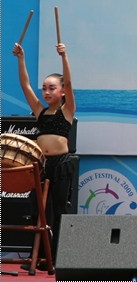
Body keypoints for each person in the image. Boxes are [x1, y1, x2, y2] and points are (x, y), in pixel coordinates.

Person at [13, 42, 76, 270]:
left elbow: (69, 83)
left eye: (52, 88)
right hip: (40, 165)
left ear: (62, 92)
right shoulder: (40, 111)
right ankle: (39, 256)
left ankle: (58, 257)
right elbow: (24, 85)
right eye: (44, 88)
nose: (47, 92)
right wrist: (21, 59)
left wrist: (64, 56)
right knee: (37, 211)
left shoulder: (67, 111)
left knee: (58, 210)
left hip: (61, 164)